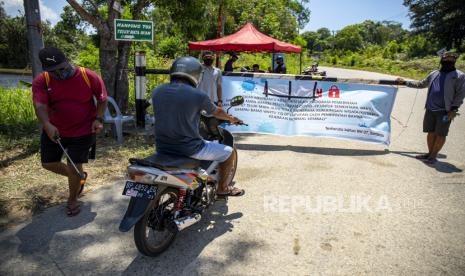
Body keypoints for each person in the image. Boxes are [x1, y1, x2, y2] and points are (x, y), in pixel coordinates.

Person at [152, 56, 245, 197]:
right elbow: (217, 112)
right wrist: (231, 118)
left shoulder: (158, 91)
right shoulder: (198, 95)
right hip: (189, 149)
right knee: (228, 152)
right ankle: (223, 188)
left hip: (162, 147)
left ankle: (200, 177)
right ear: (196, 75)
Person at [32, 47, 108, 216]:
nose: (59, 74)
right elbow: (40, 106)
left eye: (62, 68)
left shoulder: (88, 76)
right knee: (47, 163)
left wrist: (99, 119)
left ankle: (72, 198)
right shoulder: (42, 81)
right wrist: (46, 124)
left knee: (73, 165)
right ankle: (78, 176)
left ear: (67, 61)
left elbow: (102, 100)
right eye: (53, 71)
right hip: (55, 129)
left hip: (84, 129)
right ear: (46, 70)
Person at [397, 51, 465, 165]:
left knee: (441, 134)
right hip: (430, 109)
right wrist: (405, 82)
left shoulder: (459, 76)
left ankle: (433, 156)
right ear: (442, 60)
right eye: (446, 59)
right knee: (430, 132)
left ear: (454, 61)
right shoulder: (434, 73)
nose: (448, 61)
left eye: (451, 59)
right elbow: (421, 84)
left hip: (445, 111)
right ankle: (429, 153)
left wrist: (454, 109)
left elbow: (461, 93)